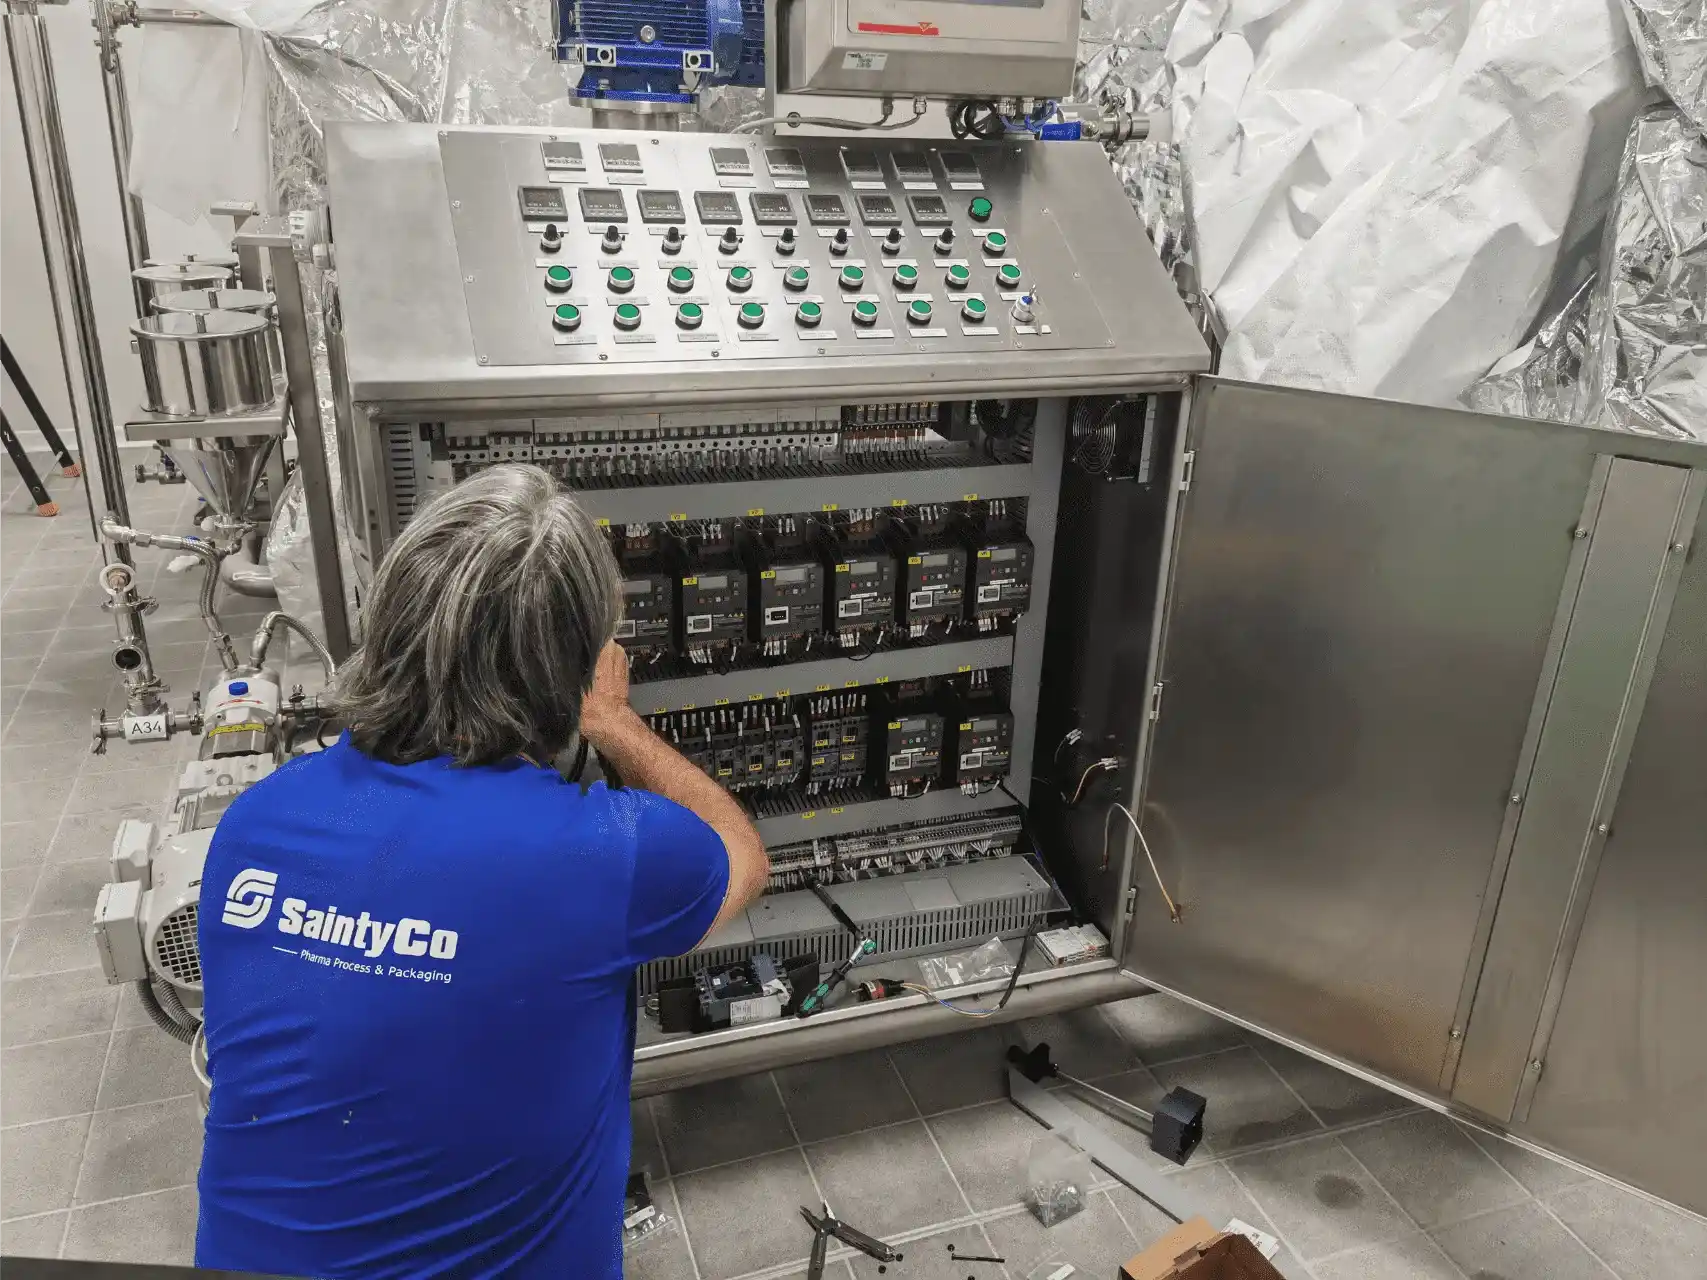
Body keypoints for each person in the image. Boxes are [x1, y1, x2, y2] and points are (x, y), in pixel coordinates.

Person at [194, 464, 769, 1280]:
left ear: (390, 620)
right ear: (572, 664)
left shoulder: (255, 822)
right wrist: (609, 722)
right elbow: (741, 857)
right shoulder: (603, 853)